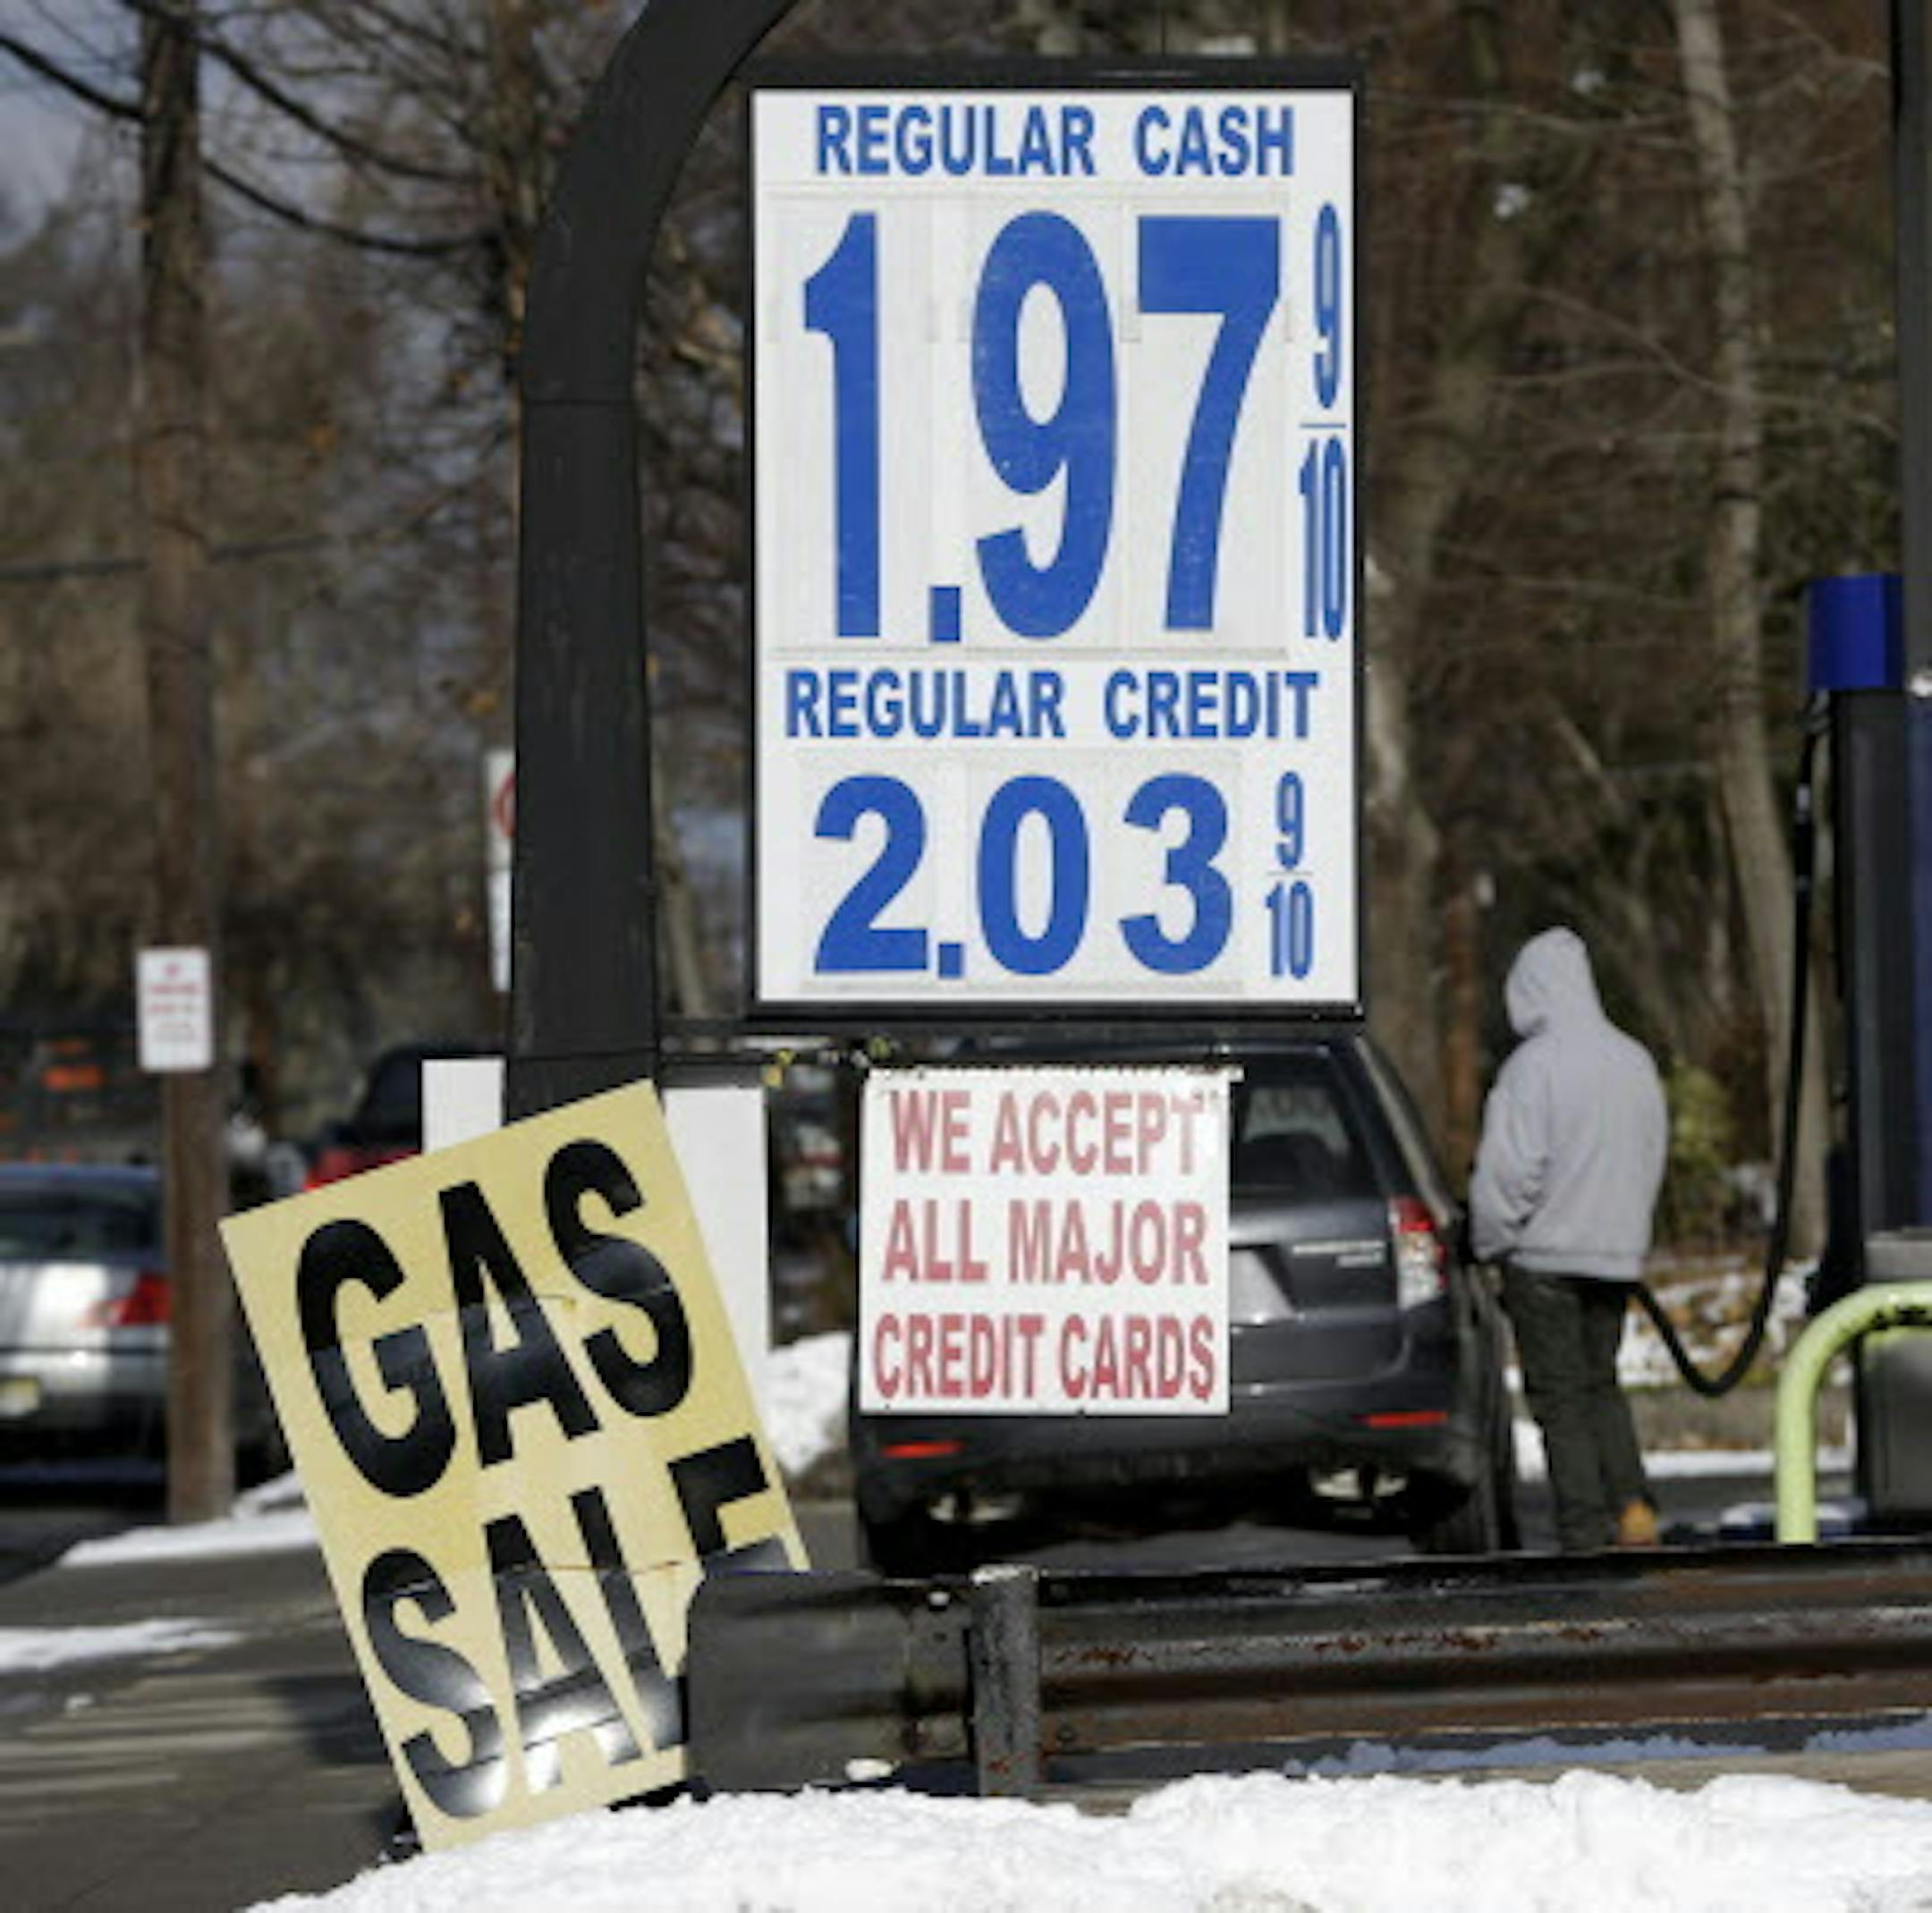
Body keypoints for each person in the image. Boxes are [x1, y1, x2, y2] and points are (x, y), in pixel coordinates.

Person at [1470, 927, 1669, 1553]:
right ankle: (1632, 1505)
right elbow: (1651, 1153)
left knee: (1559, 1398)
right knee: (1601, 1384)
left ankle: (1583, 1530)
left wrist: (1487, 1240)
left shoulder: (1532, 1069)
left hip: (1544, 1256)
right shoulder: (1633, 1060)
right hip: (1614, 1252)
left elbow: (1510, 1174)